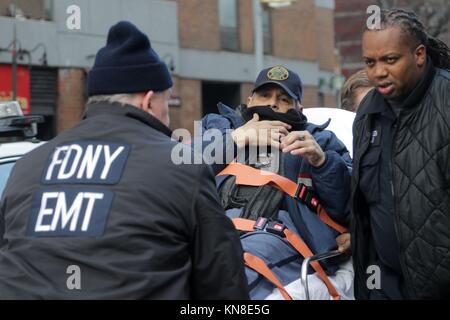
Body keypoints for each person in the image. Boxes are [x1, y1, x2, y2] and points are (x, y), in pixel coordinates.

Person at [0, 21, 249, 299]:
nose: (167, 116)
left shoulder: (27, 166)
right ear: (149, 101)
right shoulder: (181, 166)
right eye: (167, 103)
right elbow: (224, 285)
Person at [198, 65, 353, 299]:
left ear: (299, 108)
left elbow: (348, 206)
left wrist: (322, 162)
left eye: (283, 99)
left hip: (277, 238)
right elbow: (176, 171)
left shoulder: (320, 140)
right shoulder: (221, 127)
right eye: (265, 95)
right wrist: (233, 139)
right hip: (210, 229)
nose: (272, 104)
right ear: (249, 100)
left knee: (230, 275)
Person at [351, 9, 450, 299]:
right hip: (384, 285)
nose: (378, 71)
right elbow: (365, 204)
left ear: (419, 55)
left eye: (389, 60)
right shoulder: (367, 111)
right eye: (370, 62)